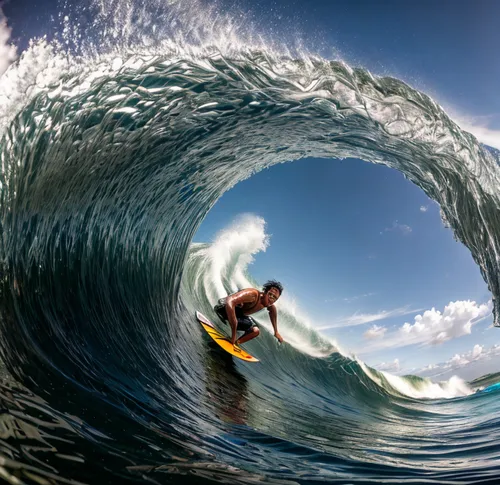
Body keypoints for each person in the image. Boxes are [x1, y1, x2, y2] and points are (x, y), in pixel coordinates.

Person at [214, 280, 284, 348]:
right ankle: (232, 339)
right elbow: (229, 301)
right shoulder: (253, 295)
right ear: (265, 292)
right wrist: (234, 331)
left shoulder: (269, 304)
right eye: (270, 295)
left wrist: (276, 332)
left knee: (255, 331)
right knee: (237, 307)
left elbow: (272, 312)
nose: (271, 299)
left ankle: (236, 343)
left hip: (238, 314)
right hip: (223, 307)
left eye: (275, 298)